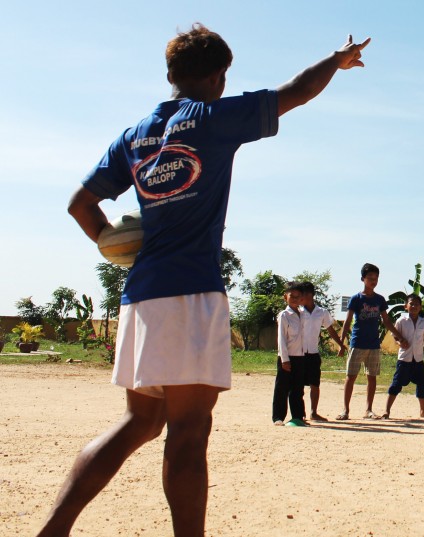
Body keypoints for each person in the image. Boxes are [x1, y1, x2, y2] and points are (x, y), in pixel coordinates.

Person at [46, 24, 370, 536]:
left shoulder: (134, 135)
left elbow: (79, 205)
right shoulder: (216, 118)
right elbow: (298, 91)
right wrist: (338, 59)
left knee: (141, 422)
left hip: (140, 293)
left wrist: (114, 242)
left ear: (169, 74)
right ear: (220, 77)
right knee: (190, 431)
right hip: (191, 292)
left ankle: (54, 528)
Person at [338, 263, 405, 420]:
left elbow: (387, 322)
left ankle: (368, 410)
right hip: (357, 343)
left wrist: (399, 336)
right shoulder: (356, 299)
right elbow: (347, 323)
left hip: (374, 345)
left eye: (376, 278)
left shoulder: (380, 299)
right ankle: (345, 410)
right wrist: (342, 344)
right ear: (363, 279)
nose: (373, 281)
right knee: (351, 377)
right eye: (370, 278)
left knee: (372, 377)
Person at [380, 295, 424, 419]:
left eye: (417, 304)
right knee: (396, 384)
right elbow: (394, 335)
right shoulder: (401, 321)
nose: (414, 306)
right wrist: (400, 342)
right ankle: (387, 410)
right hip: (404, 359)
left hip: (418, 359)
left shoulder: (423, 322)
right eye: (411, 304)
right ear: (406, 306)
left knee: (422, 384)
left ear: (420, 307)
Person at [298, 281, 345, 421]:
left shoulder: (321, 312)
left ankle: (313, 412)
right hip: (299, 353)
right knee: (298, 385)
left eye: (303, 294)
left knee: (315, 384)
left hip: (313, 352)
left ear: (311, 294)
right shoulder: (298, 312)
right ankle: (300, 413)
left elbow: (330, 330)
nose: (300, 297)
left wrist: (341, 345)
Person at [272, 282, 310, 426]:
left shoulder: (303, 315)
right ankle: (278, 417)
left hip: (300, 357)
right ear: (285, 297)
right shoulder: (284, 315)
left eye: (298, 296)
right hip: (286, 357)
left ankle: (298, 416)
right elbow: (281, 338)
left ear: (302, 299)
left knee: (298, 389)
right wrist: (284, 359)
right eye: (291, 296)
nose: (294, 299)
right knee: (282, 388)